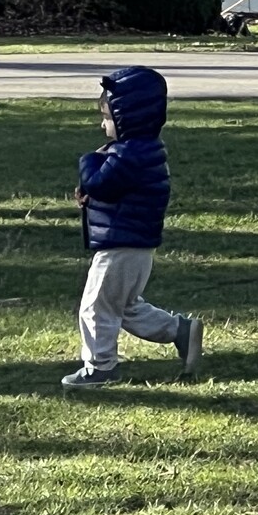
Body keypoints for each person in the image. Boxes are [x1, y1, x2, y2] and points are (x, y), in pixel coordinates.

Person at [62, 66, 203, 388]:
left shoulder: (129, 154)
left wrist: (88, 161)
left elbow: (102, 183)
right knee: (123, 306)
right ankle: (179, 330)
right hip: (133, 243)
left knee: (96, 307)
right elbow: (111, 192)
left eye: (107, 117)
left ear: (128, 117)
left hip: (120, 245)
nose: (102, 125)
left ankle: (100, 367)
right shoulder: (140, 151)